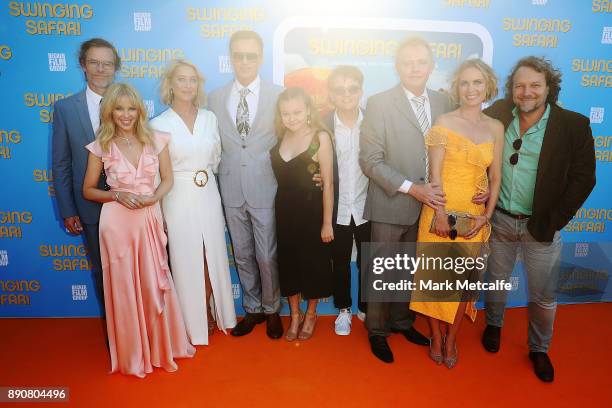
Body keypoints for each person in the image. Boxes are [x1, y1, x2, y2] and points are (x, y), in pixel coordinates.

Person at [482, 56, 596, 382]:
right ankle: (494, 324)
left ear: (549, 87)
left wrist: (556, 220)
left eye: (535, 85)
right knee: (497, 279)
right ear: (511, 89)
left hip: (542, 226)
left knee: (544, 296)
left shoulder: (573, 125)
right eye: (520, 85)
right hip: (500, 220)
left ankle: (539, 348)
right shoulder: (499, 114)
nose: (526, 92)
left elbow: (583, 178)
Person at [82, 83, 195, 378]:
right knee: (124, 290)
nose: (125, 114)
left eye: (131, 108)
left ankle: (159, 348)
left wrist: (154, 198)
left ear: (140, 110)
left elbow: (168, 179)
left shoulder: (157, 140)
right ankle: (133, 354)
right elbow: (89, 190)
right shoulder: (101, 146)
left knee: (153, 282)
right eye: (119, 108)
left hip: (148, 219)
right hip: (116, 224)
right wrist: (116, 194)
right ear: (109, 112)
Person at [359, 36, 454, 363]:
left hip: (430, 208)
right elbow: (370, 160)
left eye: (420, 62)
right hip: (392, 201)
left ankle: (402, 322)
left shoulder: (445, 103)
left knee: (410, 270)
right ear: (397, 67)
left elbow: (453, 152)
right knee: (383, 270)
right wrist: (412, 188)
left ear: (431, 66)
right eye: (407, 62)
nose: (414, 68)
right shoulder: (379, 103)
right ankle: (377, 330)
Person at [409, 59, 504, 369]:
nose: (471, 89)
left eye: (477, 83)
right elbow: (434, 176)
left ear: (488, 86)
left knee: (463, 283)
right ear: (456, 88)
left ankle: (452, 339)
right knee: (434, 280)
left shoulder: (496, 127)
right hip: (440, 212)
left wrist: (486, 215)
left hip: (474, 216)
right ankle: (436, 335)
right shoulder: (444, 122)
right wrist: (439, 213)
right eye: (465, 83)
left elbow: (495, 178)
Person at [151, 59, 237, 346]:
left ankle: (213, 313)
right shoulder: (157, 125)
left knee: (212, 254)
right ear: (170, 84)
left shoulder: (210, 118)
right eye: (181, 79)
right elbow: (155, 174)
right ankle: (193, 319)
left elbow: (216, 159)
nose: (188, 85)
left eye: (193, 80)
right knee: (186, 257)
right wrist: (158, 208)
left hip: (208, 192)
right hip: (177, 195)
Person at [208, 30, 284, 339]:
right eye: (238, 55)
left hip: (266, 185)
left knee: (266, 254)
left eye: (251, 55)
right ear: (231, 58)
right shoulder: (214, 97)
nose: (244, 61)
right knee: (241, 253)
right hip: (230, 187)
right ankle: (252, 309)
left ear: (261, 58)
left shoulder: (279, 95)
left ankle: (272, 308)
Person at [52, 38, 119, 325]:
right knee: (102, 271)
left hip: (127, 205)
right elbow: (61, 162)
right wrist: (67, 209)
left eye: (107, 63)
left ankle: (137, 333)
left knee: (132, 269)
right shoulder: (66, 108)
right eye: (94, 62)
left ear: (115, 68)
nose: (101, 69)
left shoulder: (129, 103)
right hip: (88, 206)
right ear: (83, 65)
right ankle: (114, 334)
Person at [271, 87, 334, 341]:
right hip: (284, 210)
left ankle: (311, 313)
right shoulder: (280, 137)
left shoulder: (320, 138)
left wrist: (327, 222)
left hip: (312, 211)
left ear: (308, 110)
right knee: (288, 264)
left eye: (297, 112)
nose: (292, 118)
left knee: (313, 264)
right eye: (286, 113)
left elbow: (327, 183)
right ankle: (294, 315)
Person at [322, 66, 370, 336]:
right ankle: (343, 310)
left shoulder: (374, 121)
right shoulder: (323, 125)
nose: (346, 94)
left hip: (367, 205)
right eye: (340, 90)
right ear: (331, 94)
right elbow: (311, 162)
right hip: (337, 207)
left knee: (368, 259)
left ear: (361, 91)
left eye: (352, 88)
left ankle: (364, 306)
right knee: (339, 261)